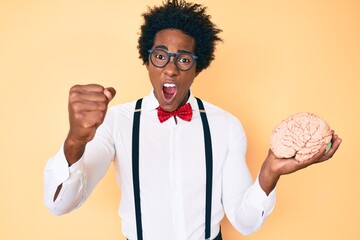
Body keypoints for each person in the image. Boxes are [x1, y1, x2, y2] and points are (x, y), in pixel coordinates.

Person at [43, 1, 342, 240]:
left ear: (197, 68)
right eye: (160, 56)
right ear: (147, 61)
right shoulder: (115, 121)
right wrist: (75, 142)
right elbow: (60, 205)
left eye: (183, 59)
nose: (170, 69)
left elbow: (245, 222)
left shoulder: (226, 126)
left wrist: (269, 172)